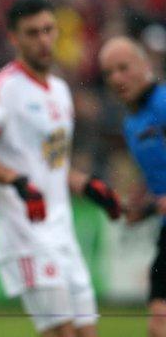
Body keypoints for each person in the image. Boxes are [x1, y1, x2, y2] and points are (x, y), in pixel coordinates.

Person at [0, 0, 121, 337]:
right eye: (32, 33)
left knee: (88, 330)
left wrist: (85, 184)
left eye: (48, 30)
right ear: (14, 38)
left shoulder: (59, 90)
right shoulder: (2, 88)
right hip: (25, 232)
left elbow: (50, 165)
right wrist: (17, 182)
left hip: (62, 229)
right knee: (62, 332)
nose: (43, 40)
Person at [99, 36, 166, 337]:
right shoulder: (131, 124)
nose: (117, 78)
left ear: (145, 65)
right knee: (158, 322)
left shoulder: (163, 104)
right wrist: (143, 208)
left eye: (124, 68)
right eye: (109, 73)